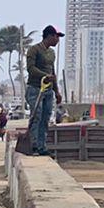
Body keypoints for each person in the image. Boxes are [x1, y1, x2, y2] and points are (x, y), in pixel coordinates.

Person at [24, 26, 62, 156]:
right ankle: (33, 145)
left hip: (48, 90)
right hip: (35, 88)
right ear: (49, 36)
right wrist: (44, 76)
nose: (57, 40)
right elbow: (30, 68)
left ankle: (42, 146)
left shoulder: (52, 53)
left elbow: (52, 72)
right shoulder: (34, 50)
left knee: (45, 117)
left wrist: (57, 91)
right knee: (36, 115)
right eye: (56, 37)